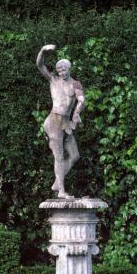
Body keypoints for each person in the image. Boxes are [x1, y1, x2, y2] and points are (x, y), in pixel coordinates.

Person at [36, 44, 85, 199]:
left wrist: (76, 113)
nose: (61, 73)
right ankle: (61, 191)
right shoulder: (53, 80)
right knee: (59, 156)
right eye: (59, 70)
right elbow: (40, 65)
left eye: (64, 70)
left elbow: (81, 100)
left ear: (69, 69)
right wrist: (43, 51)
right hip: (53, 120)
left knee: (75, 155)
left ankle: (58, 180)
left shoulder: (75, 83)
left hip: (65, 122)